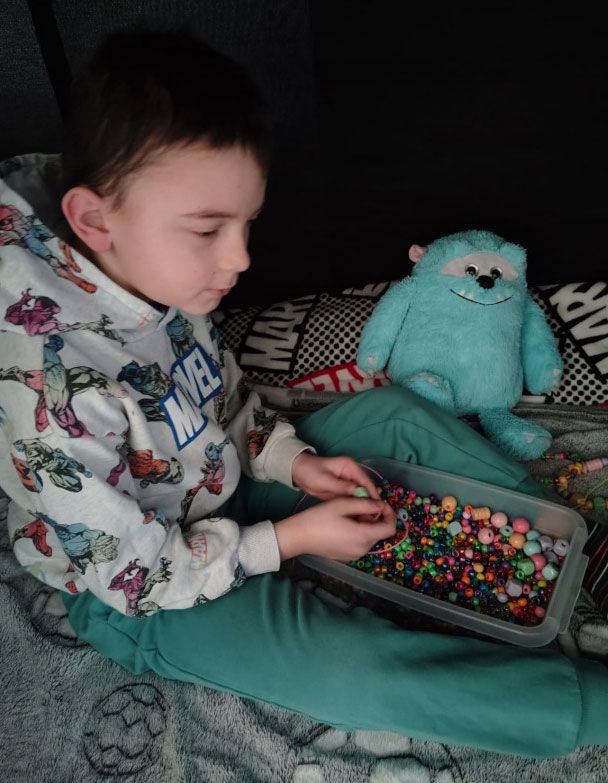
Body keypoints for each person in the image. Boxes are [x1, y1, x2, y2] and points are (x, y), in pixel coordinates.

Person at [0, 30, 606, 758]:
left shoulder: (163, 275)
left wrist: (295, 463)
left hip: (222, 487)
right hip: (144, 589)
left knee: (394, 416)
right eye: (208, 230)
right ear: (96, 221)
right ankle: (583, 707)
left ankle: (583, 545)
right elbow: (137, 575)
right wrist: (289, 541)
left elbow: (222, 403)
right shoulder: (50, 392)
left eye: (247, 223)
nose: (240, 258)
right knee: (347, 666)